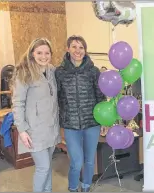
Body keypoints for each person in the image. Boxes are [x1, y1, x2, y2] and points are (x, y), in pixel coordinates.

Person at [55, 35, 106, 192]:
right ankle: (72, 188)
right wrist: (58, 123)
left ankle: (86, 187)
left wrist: (104, 121)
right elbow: (56, 98)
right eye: (74, 47)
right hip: (71, 125)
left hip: (92, 123)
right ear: (67, 48)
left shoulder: (93, 71)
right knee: (77, 162)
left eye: (81, 47)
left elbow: (100, 97)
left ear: (85, 50)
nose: (78, 50)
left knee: (89, 160)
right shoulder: (60, 72)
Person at [11, 38, 61, 192]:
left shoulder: (52, 71)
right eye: (39, 52)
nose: (43, 56)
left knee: (48, 167)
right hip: (34, 131)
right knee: (43, 167)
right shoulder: (24, 73)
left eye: (47, 53)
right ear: (32, 53)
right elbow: (18, 103)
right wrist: (22, 130)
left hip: (51, 128)